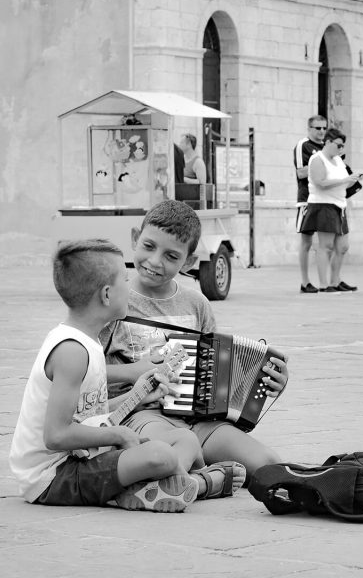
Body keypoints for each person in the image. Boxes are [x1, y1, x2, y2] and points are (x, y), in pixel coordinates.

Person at [9, 239, 244, 513]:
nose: (131, 286)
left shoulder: (89, 341)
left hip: (85, 455)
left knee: (186, 440)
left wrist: (138, 397)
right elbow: (56, 435)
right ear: (107, 295)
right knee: (161, 455)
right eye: (125, 279)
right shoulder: (71, 351)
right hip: (55, 474)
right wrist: (120, 434)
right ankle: (197, 484)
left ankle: (162, 487)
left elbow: (87, 414)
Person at [102, 199, 289, 483]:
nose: (155, 261)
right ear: (134, 239)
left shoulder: (196, 304)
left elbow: (219, 374)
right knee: (164, 455)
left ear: (188, 261)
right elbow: (82, 370)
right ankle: (205, 479)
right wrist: (131, 371)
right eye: (149, 246)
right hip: (142, 415)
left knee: (269, 466)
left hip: (199, 421)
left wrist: (268, 382)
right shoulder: (114, 302)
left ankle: (199, 475)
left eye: (171, 256)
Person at [298, 127, 363, 293]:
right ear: (328, 142)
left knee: (343, 246)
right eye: (338, 145)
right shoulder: (317, 159)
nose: (341, 149)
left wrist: (353, 179)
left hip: (339, 205)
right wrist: (344, 179)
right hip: (323, 204)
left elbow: (343, 183)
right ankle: (323, 284)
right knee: (325, 245)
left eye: (342, 146)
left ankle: (335, 280)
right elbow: (320, 182)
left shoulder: (338, 160)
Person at [293, 114, 327, 292]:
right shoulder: (303, 145)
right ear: (309, 129)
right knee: (306, 242)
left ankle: (328, 281)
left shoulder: (327, 147)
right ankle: (305, 282)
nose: (322, 131)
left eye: (324, 128)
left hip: (326, 200)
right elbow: (300, 172)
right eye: (318, 128)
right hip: (307, 200)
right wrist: (324, 166)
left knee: (326, 243)